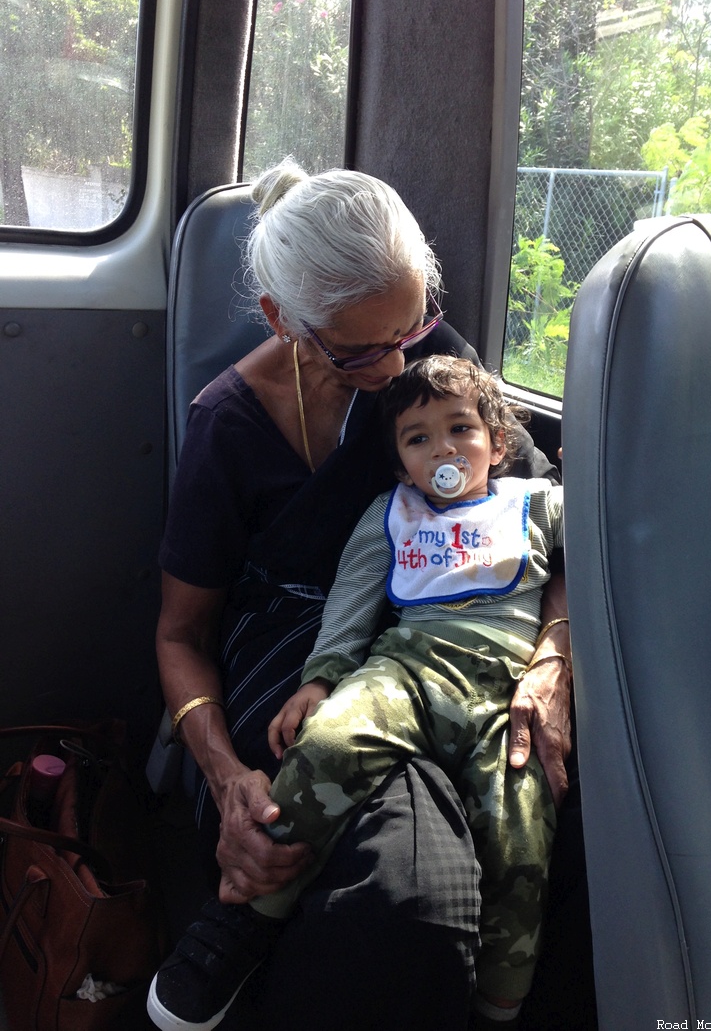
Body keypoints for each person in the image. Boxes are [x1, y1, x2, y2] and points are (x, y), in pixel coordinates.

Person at [152, 158, 574, 1029]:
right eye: (357, 350)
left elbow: (536, 521)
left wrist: (553, 653)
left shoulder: (431, 360)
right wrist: (226, 772)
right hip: (288, 652)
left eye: (412, 325)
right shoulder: (227, 424)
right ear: (281, 318)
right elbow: (179, 634)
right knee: (407, 883)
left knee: (540, 833)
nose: (394, 368)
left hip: (446, 627)